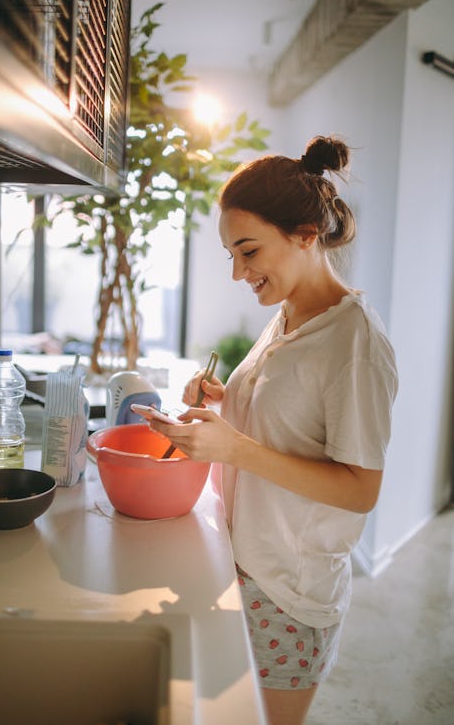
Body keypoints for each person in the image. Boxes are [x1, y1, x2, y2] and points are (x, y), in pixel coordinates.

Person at [150, 135, 398, 725]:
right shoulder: (288, 314)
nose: (239, 272)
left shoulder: (354, 343)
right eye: (231, 256)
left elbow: (361, 488)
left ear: (306, 236)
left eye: (248, 252)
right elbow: (283, 422)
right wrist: (226, 401)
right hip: (244, 561)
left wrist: (235, 445)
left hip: (288, 591)